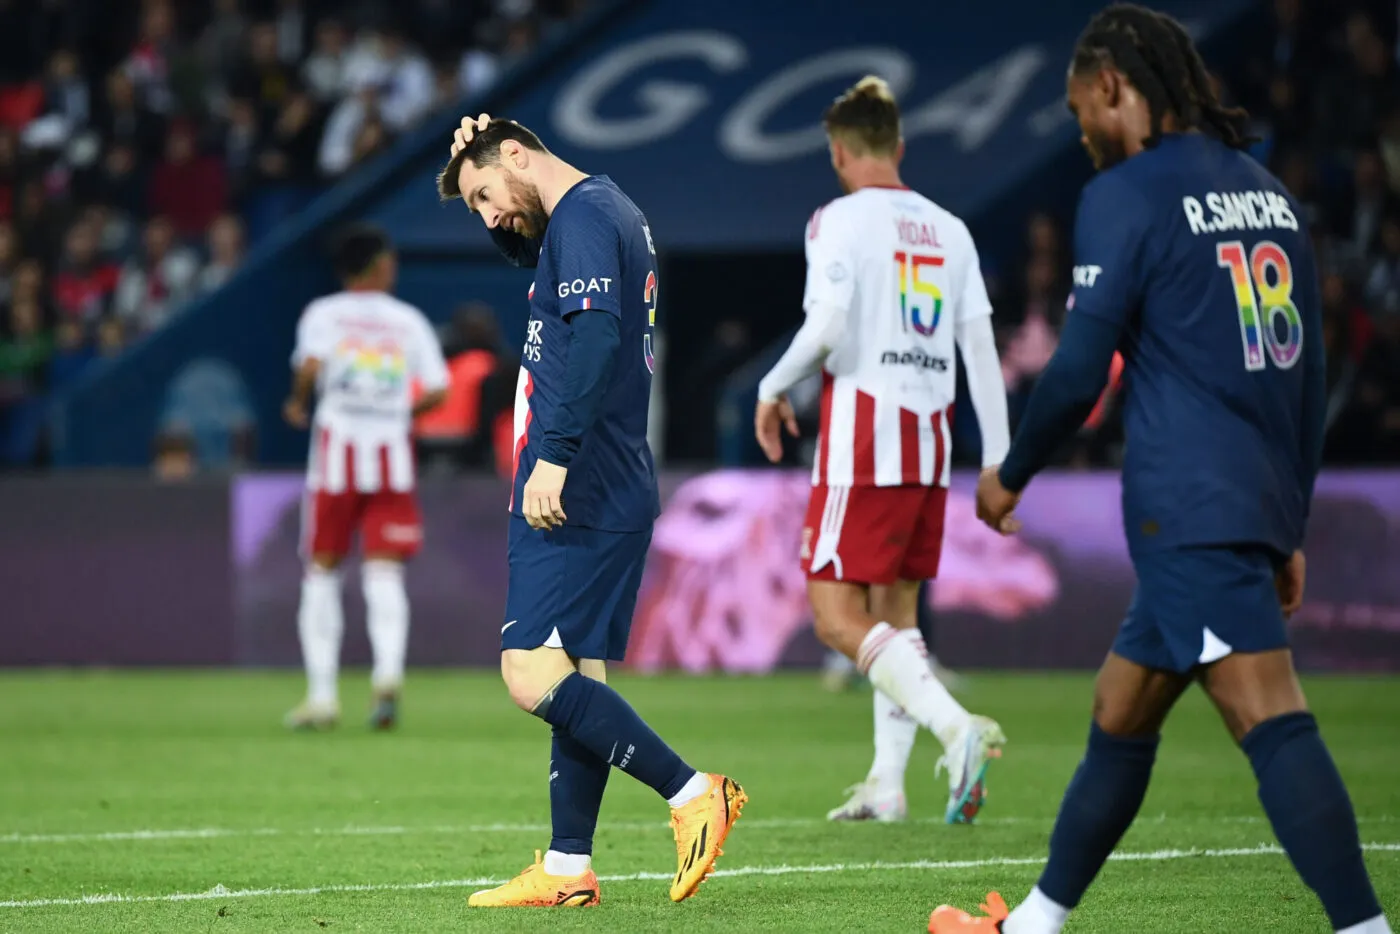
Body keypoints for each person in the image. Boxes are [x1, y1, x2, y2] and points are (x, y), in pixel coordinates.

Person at [930, 6, 1392, 933]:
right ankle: (1034, 922)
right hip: (1249, 494)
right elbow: (1306, 381)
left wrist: (1011, 471)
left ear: (1113, 86)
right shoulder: (1269, 194)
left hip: (1189, 500)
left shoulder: (1128, 195)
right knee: (1122, 707)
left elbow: (1075, 368)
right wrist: (1287, 523)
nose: (1082, 133)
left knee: (1268, 712)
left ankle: (1363, 927)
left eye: (1079, 110)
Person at [436, 113, 745, 908]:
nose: (487, 214)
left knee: (529, 671)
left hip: (581, 482)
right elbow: (540, 262)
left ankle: (691, 793)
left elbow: (599, 337)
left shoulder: (581, 217)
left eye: (483, 194)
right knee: (577, 675)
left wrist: (553, 456)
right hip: (607, 479)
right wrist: (475, 181)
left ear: (515, 153)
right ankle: (568, 867)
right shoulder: (603, 208)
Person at [753, 77, 1011, 825]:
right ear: (899, 147)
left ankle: (958, 729)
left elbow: (829, 324)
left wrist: (771, 386)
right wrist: (998, 461)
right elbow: (981, 350)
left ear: (838, 153)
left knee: (836, 616)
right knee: (895, 613)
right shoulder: (951, 228)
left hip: (863, 434)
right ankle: (888, 786)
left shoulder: (837, 219)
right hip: (929, 440)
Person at [282, 224, 449, 731]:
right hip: (391, 459)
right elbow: (438, 388)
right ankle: (387, 680)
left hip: (335, 457)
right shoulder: (408, 320)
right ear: (378, 265)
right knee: (384, 572)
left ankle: (323, 697)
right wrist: (399, 409)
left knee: (322, 568)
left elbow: (310, 365)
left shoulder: (323, 313)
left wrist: (297, 400)